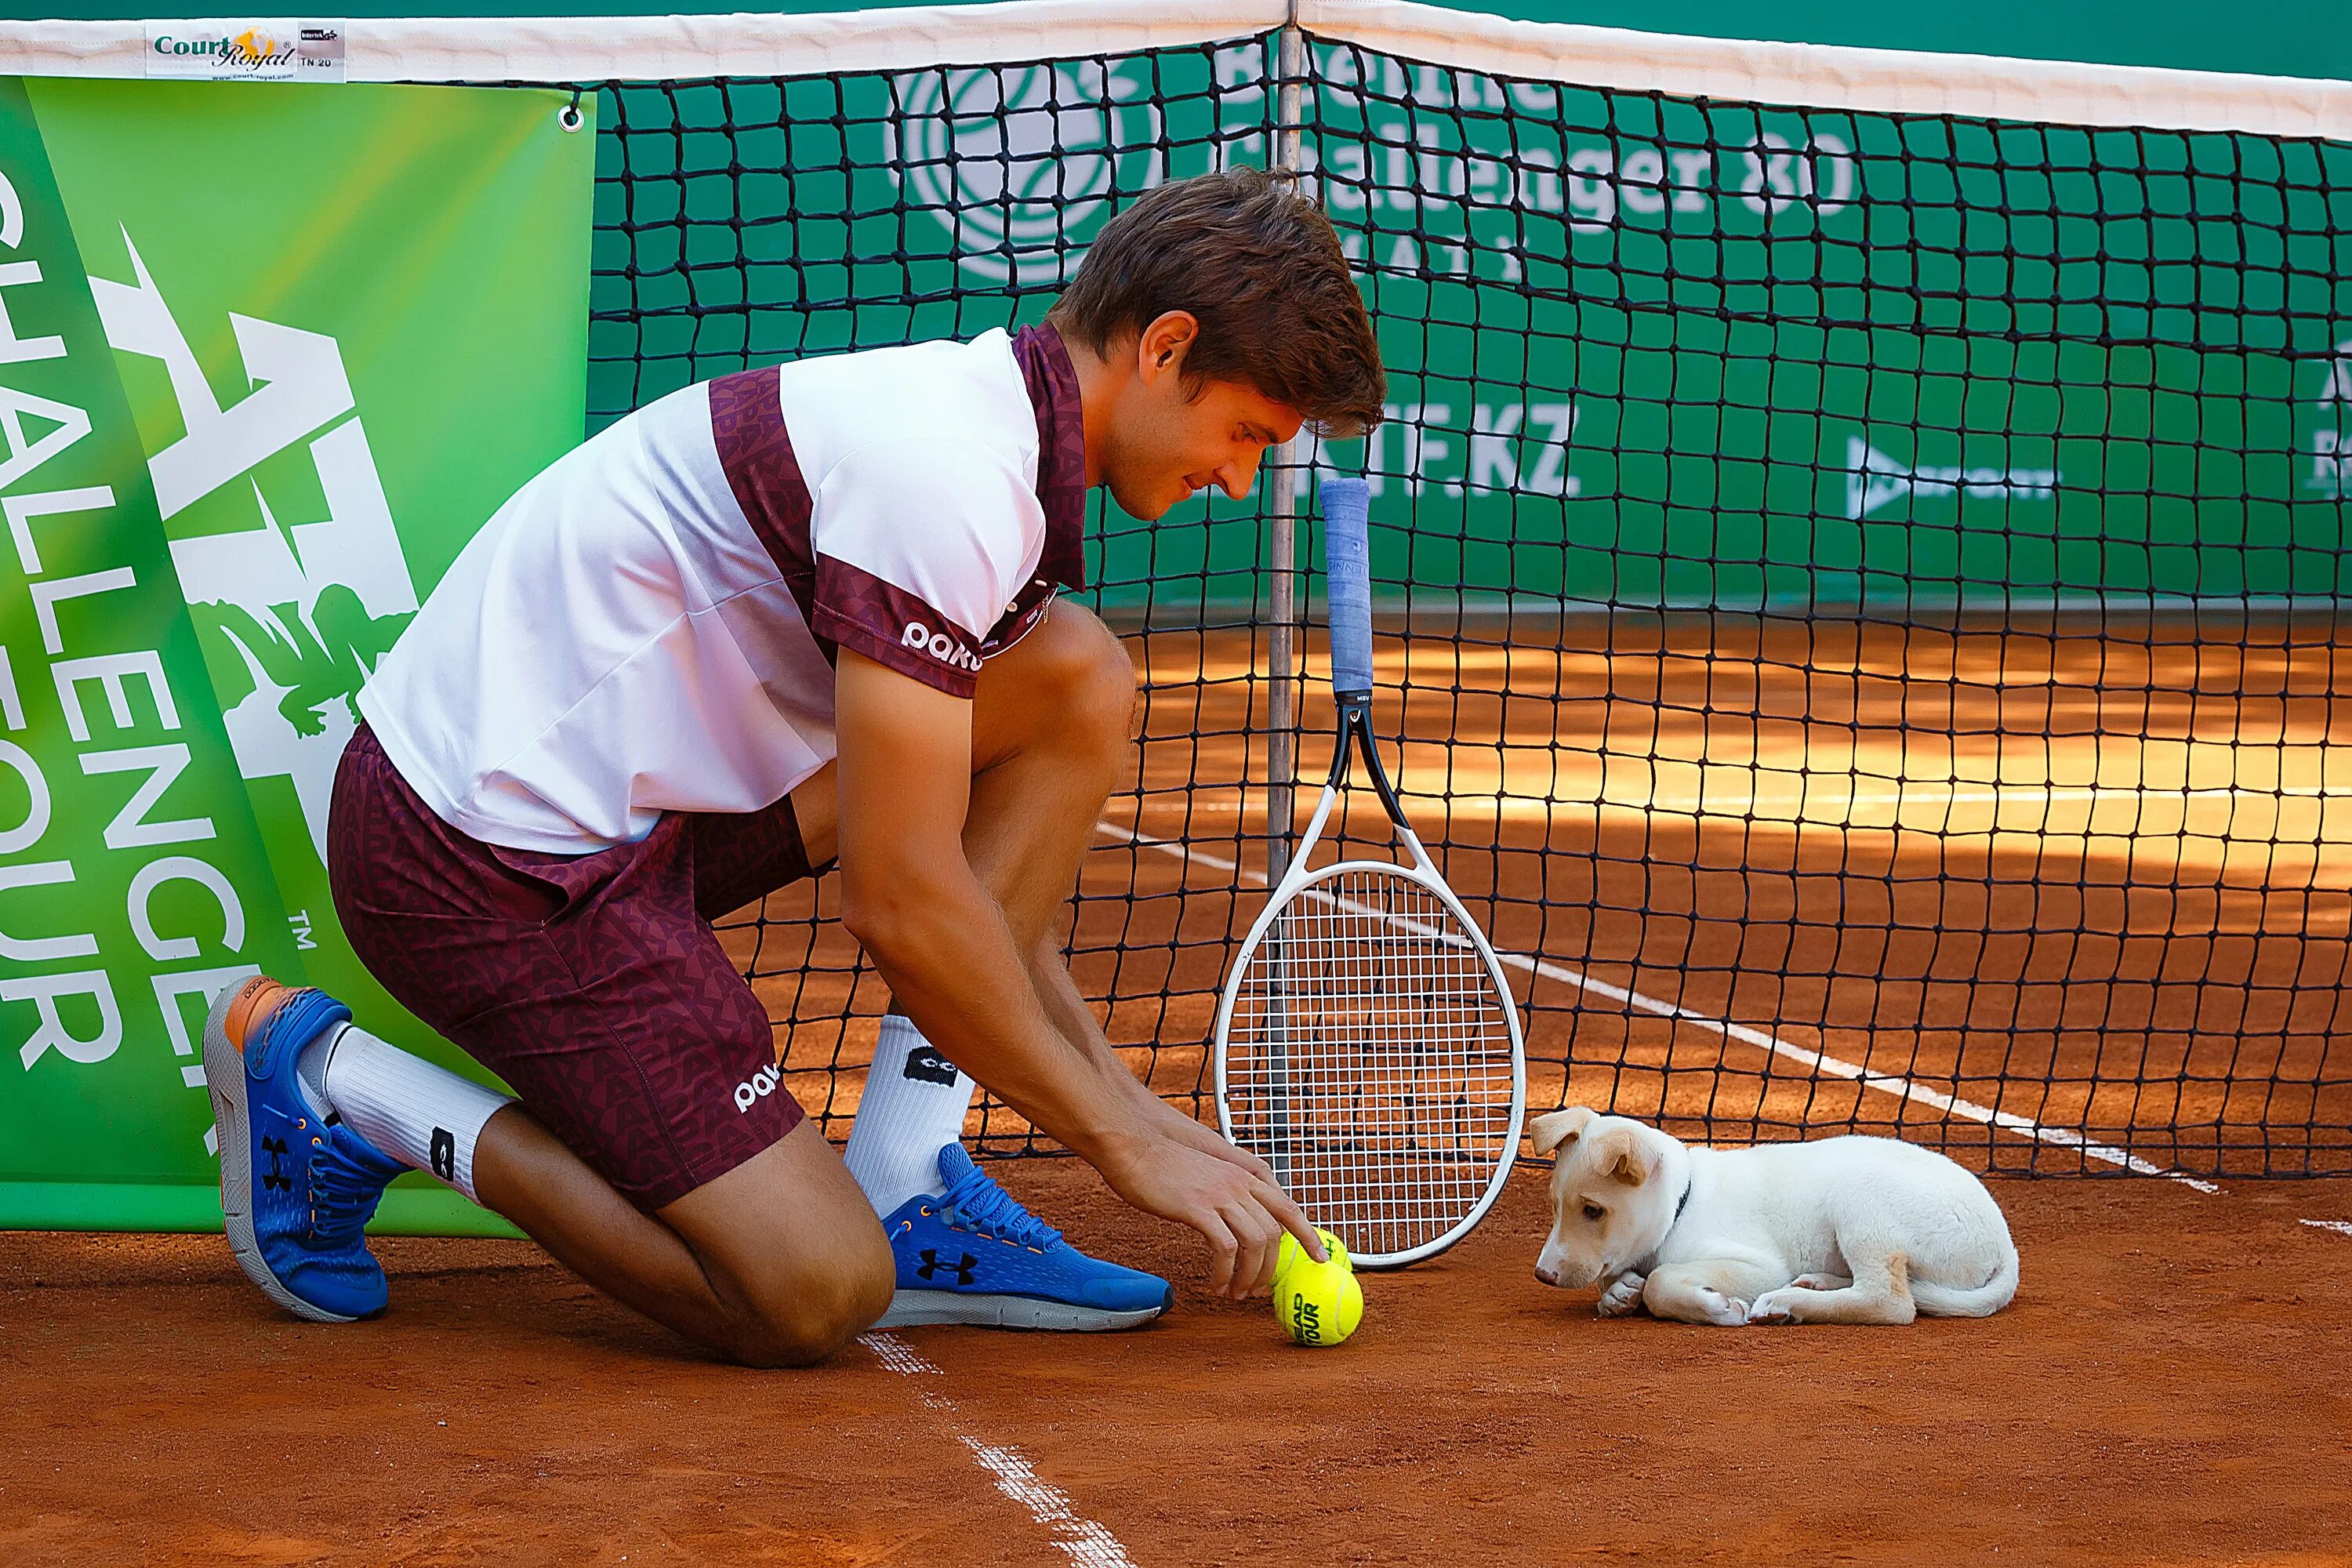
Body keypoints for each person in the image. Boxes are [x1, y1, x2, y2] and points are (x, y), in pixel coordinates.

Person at [201, 167, 1388, 1366]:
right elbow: (903, 898)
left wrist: (1134, 1106)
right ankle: (345, 1086)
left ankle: (905, 1173)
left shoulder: (991, 438)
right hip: (475, 863)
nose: (1240, 479)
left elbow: (976, 911)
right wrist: (1121, 1141)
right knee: (811, 1290)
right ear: (1166, 347)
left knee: (1072, 677)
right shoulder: (947, 482)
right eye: (1244, 433)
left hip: (633, 811)